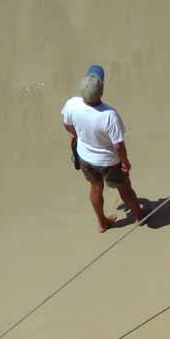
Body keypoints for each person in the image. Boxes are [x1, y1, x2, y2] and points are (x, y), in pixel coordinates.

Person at [61, 65, 144, 233]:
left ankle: (102, 222)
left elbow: (66, 124)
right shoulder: (109, 115)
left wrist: (77, 136)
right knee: (124, 188)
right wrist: (125, 162)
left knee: (95, 187)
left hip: (85, 158)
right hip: (109, 162)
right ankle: (140, 216)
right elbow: (118, 145)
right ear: (101, 91)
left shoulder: (72, 104)